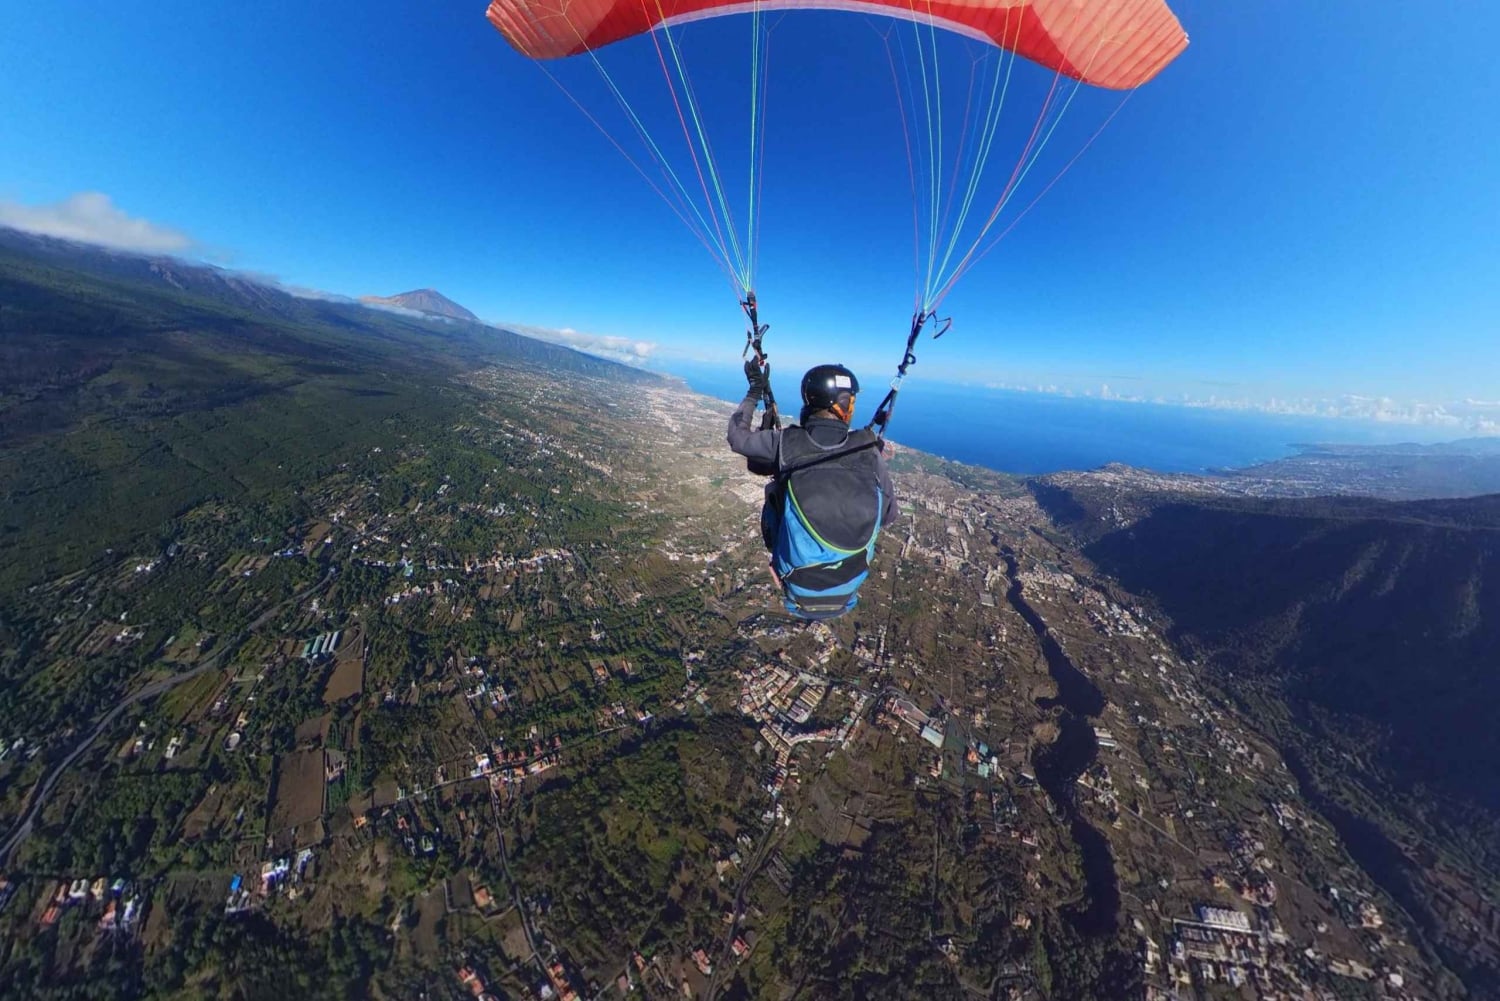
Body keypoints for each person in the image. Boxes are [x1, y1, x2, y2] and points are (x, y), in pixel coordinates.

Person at [728, 360, 898, 620]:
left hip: (797, 580)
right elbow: (888, 516)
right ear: (840, 404)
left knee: (776, 489)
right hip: (846, 582)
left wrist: (754, 392)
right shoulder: (867, 451)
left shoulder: (785, 442)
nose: (851, 408)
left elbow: (738, 438)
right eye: (850, 402)